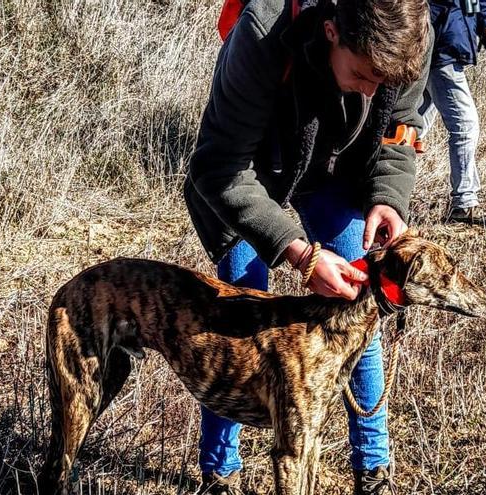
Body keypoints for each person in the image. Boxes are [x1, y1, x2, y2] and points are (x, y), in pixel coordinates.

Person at [183, 0, 433, 493]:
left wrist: (388, 197)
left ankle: (373, 466)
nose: (373, 91)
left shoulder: (410, 34)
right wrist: (300, 253)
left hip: (335, 171)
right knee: (236, 317)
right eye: (364, 76)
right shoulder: (261, 32)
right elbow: (220, 168)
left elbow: (401, 128)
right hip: (248, 175)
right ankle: (219, 472)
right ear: (331, 31)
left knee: (357, 307)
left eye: (385, 82)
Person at [418, 0, 486, 227]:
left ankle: (371, 184)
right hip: (438, 50)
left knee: (413, 126)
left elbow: (479, 3)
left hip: (445, 49)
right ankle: (464, 203)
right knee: (465, 127)